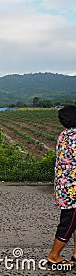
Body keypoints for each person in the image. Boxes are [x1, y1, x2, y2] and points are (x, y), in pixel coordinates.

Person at [47, 105, 76, 269]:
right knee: (68, 223)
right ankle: (54, 256)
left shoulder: (64, 135)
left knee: (74, 220)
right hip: (73, 191)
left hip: (64, 187)